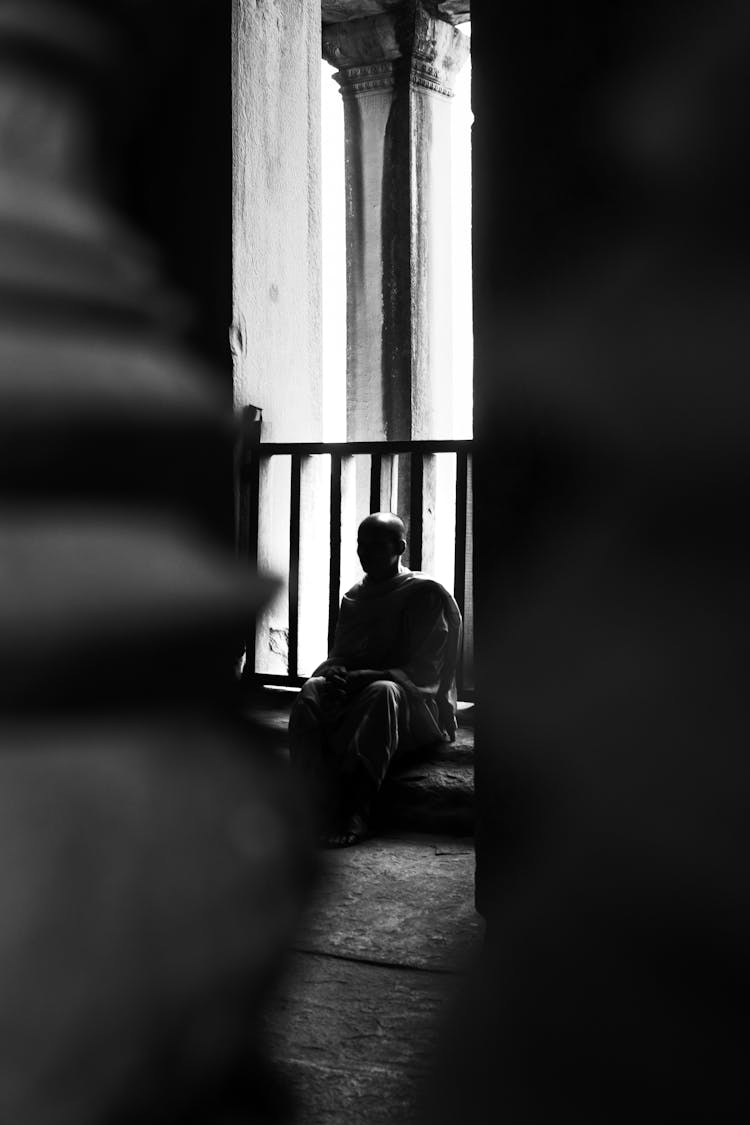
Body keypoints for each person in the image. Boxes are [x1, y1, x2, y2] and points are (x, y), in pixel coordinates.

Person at [289, 512, 462, 847]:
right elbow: (343, 655)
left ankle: (356, 807)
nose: (363, 553)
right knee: (312, 689)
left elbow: (428, 672)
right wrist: (336, 672)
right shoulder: (356, 596)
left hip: (412, 705)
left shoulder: (423, 594)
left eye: (375, 546)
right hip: (360, 692)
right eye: (360, 545)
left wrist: (371, 676)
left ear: (399, 547)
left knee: (383, 691)